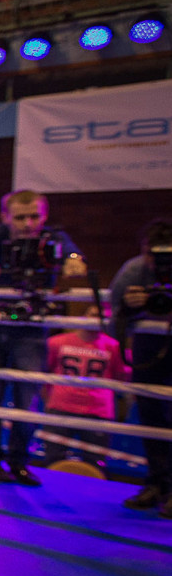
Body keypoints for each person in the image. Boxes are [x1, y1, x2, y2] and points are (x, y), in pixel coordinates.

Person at [0, 189, 87, 485]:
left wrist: (74, 260)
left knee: (27, 398)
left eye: (34, 216)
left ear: (44, 216)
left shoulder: (53, 238)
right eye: (20, 218)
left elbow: (73, 252)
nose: (28, 224)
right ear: (5, 217)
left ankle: (19, 463)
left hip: (31, 328)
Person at [111, 219, 172, 518]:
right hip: (148, 350)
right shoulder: (134, 270)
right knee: (150, 417)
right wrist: (130, 307)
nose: (156, 261)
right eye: (151, 253)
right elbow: (113, 321)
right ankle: (157, 484)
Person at [42, 306, 127, 468]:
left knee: (95, 462)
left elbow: (120, 377)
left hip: (98, 410)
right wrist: (49, 399)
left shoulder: (113, 346)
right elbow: (45, 372)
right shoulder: (57, 342)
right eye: (93, 315)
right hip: (61, 406)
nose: (96, 320)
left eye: (101, 316)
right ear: (83, 316)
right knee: (53, 457)